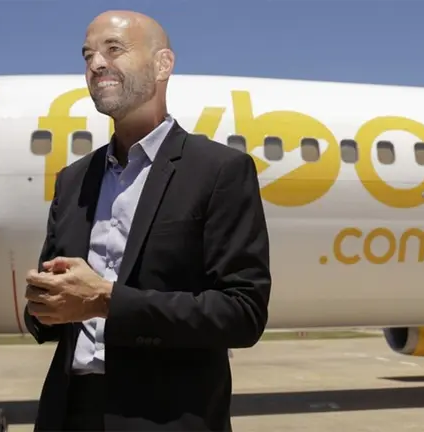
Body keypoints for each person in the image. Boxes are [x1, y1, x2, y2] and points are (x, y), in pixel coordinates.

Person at [23, 10, 271, 431]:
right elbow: (50, 312)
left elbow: (242, 313)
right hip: (69, 412)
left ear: (163, 65)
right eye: (87, 55)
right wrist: (43, 305)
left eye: (113, 49)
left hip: (167, 417)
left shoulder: (219, 171)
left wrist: (106, 299)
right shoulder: (73, 180)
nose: (96, 64)